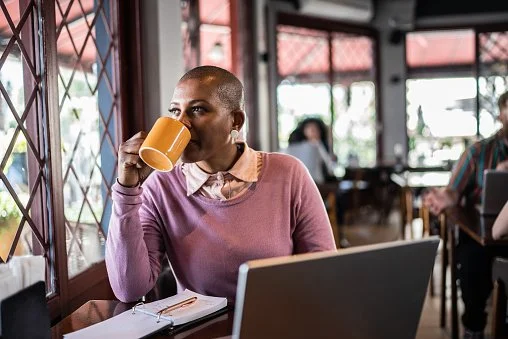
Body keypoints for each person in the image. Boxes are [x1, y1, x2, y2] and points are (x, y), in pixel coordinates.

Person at [105, 66, 336, 304]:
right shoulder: (160, 186)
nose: (181, 123)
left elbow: (323, 271)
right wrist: (127, 189)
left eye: (197, 109)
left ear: (235, 121)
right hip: (200, 329)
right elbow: (129, 289)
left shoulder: (289, 173)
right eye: (175, 111)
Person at [423, 91, 508, 339]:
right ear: (502, 114)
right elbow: (454, 192)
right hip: (482, 231)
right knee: (472, 263)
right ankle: (474, 326)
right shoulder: (478, 153)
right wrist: (443, 198)